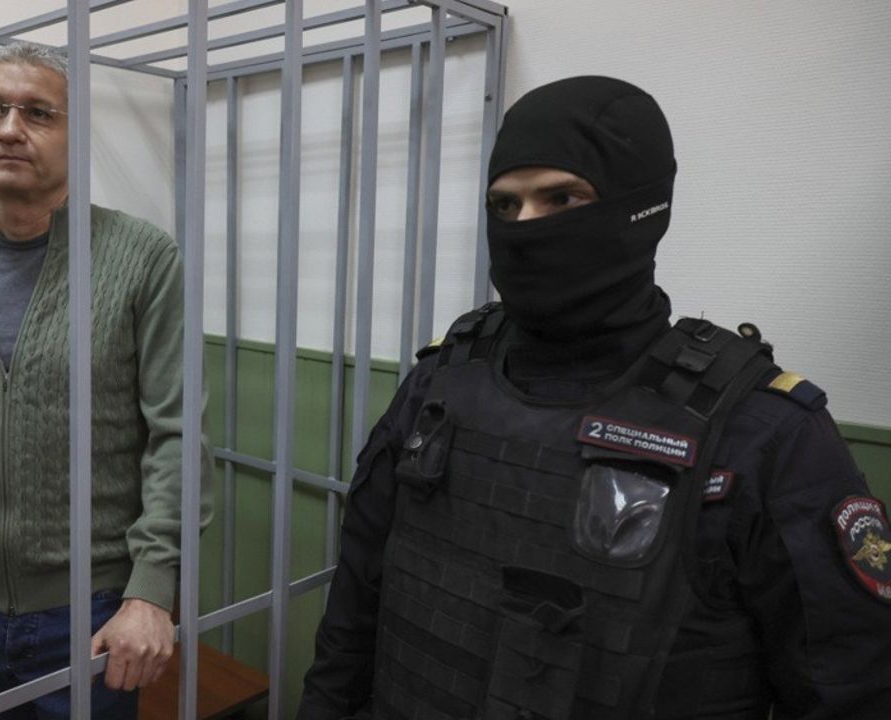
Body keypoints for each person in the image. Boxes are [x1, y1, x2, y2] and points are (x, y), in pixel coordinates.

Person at [298, 76, 891, 720]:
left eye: (561, 198)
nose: (524, 227)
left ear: (643, 211)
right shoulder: (440, 383)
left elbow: (851, 692)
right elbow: (352, 620)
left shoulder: (763, 433)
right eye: (504, 205)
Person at [0, 41, 212, 719]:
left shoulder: (143, 258)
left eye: (38, 112)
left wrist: (151, 591)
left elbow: (177, 436)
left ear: (78, 134)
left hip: (92, 610)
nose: (10, 129)